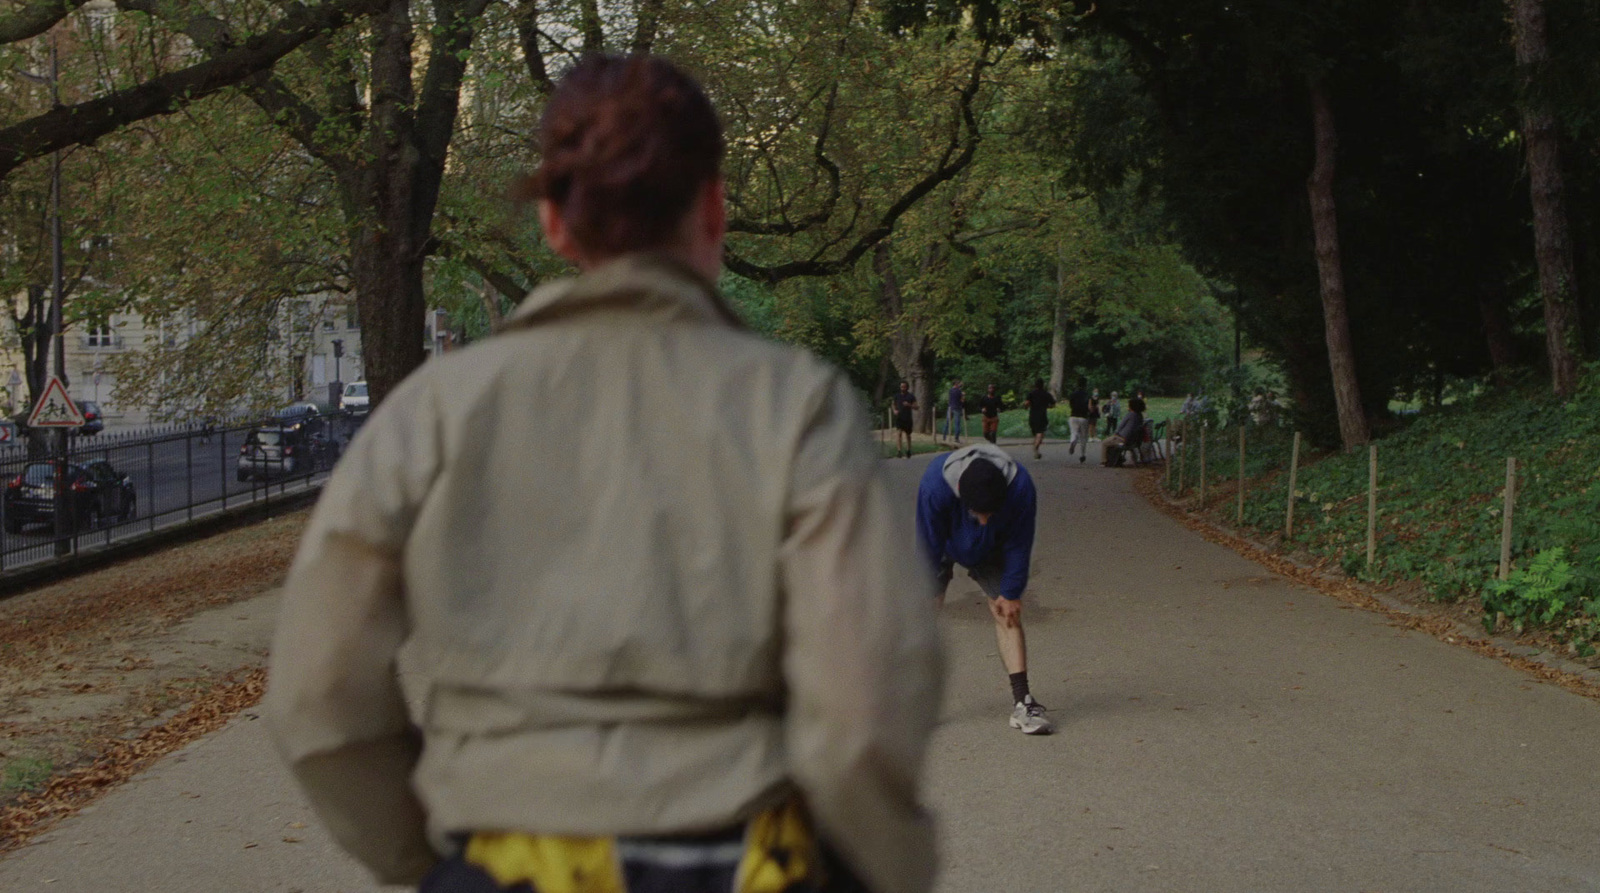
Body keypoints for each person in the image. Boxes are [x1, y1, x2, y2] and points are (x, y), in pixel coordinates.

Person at [265, 54, 943, 893]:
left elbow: (319, 692)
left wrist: (430, 858)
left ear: (555, 222)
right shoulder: (795, 407)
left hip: (511, 861)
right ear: (714, 209)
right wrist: (883, 869)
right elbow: (865, 705)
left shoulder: (432, 413)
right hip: (747, 861)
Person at [915, 443, 1051, 735]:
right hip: (944, 539)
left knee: (1007, 613)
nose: (985, 518)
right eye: (979, 513)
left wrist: (1012, 592)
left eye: (992, 512)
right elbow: (927, 544)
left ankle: (1023, 703)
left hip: (993, 546)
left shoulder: (1020, 486)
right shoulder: (935, 485)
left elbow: (1020, 541)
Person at [1101, 396, 1147, 467]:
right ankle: (1118, 459)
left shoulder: (1130, 415)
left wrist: (1115, 434)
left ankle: (1104, 461)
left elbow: (1120, 426)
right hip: (1133, 440)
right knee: (1110, 442)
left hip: (1123, 438)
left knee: (1104, 443)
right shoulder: (1139, 416)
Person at [1023, 379, 1055, 460]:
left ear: (1035, 385)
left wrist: (1026, 407)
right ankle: (1036, 447)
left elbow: (1026, 403)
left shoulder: (1031, 393)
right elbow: (1053, 404)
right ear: (1043, 385)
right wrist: (1048, 406)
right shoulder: (1046, 394)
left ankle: (1036, 450)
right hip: (1042, 416)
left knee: (1036, 433)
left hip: (1032, 416)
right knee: (1040, 433)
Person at [1065, 376, 1091, 464]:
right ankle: (1082, 455)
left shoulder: (1073, 394)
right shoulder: (1087, 395)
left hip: (1073, 416)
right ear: (1085, 385)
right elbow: (1090, 407)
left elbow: (1071, 405)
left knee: (1074, 432)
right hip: (1083, 417)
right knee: (1083, 437)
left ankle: (1073, 441)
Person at [892, 380, 918, 458]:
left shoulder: (911, 396)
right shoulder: (896, 396)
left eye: (904, 387)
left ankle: (908, 450)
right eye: (901, 387)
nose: (902, 388)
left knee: (908, 435)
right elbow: (893, 404)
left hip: (907, 418)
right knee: (899, 434)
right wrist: (894, 410)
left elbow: (916, 407)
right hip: (899, 418)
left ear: (907, 387)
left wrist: (909, 405)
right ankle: (899, 451)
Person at [945, 379, 964, 444]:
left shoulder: (950, 390)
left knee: (947, 422)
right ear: (956, 384)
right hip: (957, 408)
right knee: (957, 423)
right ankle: (956, 438)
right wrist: (963, 395)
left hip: (950, 407)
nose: (960, 385)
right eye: (959, 384)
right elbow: (962, 400)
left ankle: (944, 437)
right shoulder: (959, 391)